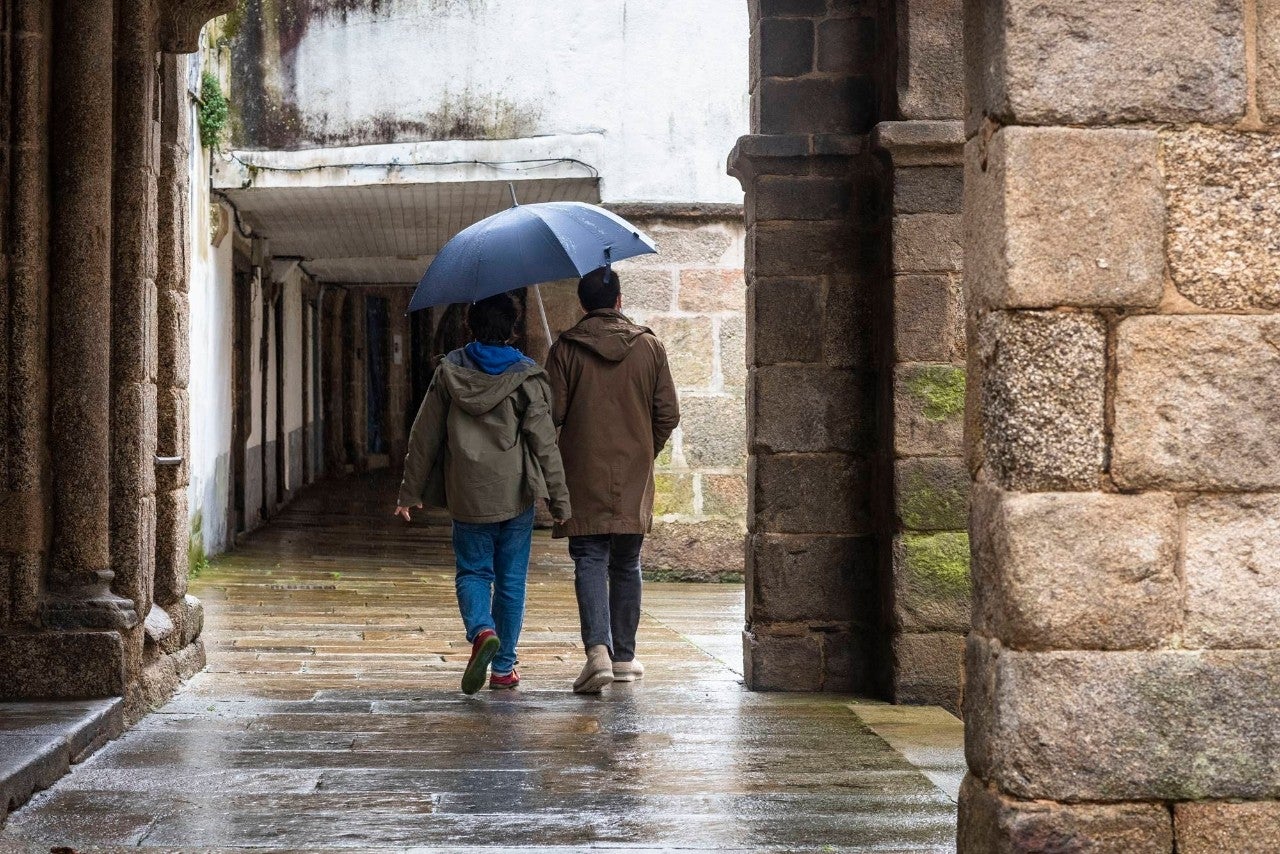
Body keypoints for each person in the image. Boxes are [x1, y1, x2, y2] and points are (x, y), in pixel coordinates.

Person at [395, 292, 571, 695]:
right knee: (511, 581)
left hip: (467, 495)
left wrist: (409, 492)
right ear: (512, 329)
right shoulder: (527, 377)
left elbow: (424, 435)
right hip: (515, 496)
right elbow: (545, 443)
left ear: (469, 327)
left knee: (474, 571)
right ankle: (504, 668)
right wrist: (560, 501)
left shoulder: (449, 372)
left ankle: (481, 631)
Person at [546, 266, 680, 694]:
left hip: (582, 473)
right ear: (619, 301)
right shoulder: (650, 347)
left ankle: (596, 653)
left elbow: (552, 416)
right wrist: (644, 450)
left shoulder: (566, 349)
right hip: (633, 473)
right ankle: (623, 656)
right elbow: (668, 415)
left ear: (583, 305)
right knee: (626, 560)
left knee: (589, 557)